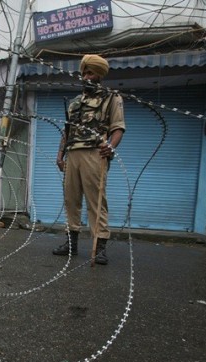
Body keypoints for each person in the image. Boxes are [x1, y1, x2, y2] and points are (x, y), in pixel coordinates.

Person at [53, 54, 125, 265]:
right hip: (72, 154)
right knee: (71, 200)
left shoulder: (112, 97)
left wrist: (110, 146)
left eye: (91, 72)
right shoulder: (75, 102)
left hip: (95, 154)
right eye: (84, 72)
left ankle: (100, 247)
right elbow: (67, 132)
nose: (86, 76)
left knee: (96, 201)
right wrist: (60, 155)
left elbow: (118, 127)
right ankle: (71, 244)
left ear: (99, 75)